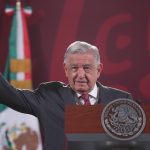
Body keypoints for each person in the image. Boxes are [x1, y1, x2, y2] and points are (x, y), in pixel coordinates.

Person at [0, 41, 132, 150]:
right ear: (65, 69)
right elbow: (11, 96)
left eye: (87, 68)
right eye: (74, 68)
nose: (80, 75)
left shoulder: (121, 101)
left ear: (98, 70)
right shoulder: (49, 95)